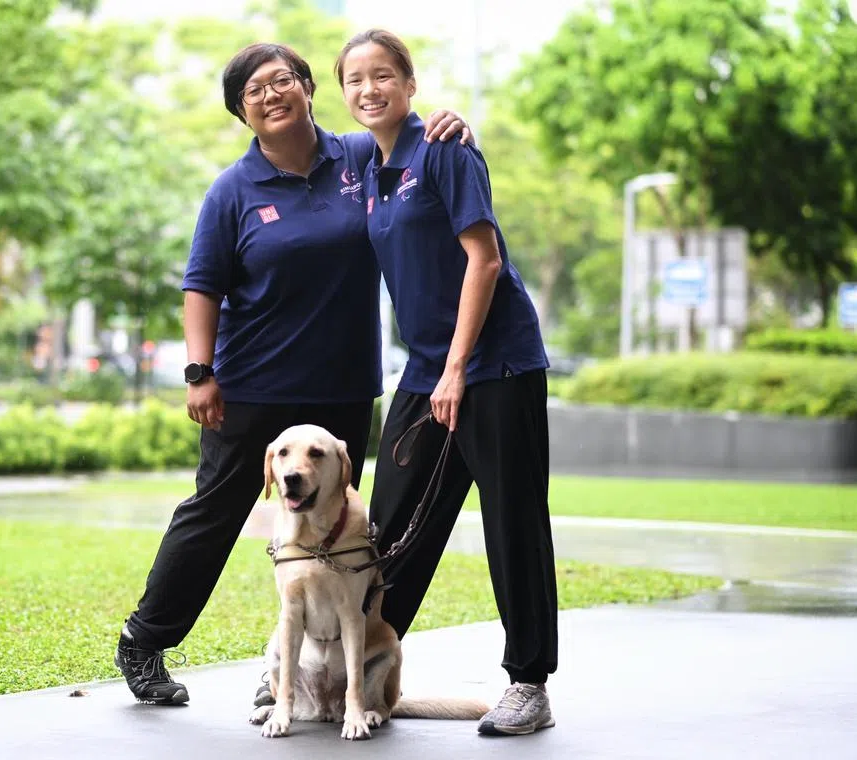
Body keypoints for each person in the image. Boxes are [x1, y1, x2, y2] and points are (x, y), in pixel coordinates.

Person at [114, 41, 473, 707]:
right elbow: (202, 286)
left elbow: (420, 155)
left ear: (309, 89)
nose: (272, 95)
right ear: (242, 113)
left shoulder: (361, 157)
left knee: (330, 540)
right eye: (255, 91)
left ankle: (291, 668)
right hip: (250, 388)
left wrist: (454, 128)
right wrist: (200, 372)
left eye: (284, 81)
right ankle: (144, 640)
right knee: (213, 516)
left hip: (341, 392)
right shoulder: (233, 190)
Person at [335, 29, 559, 736]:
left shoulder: (446, 148)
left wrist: (458, 368)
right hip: (427, 367)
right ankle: (357, 674)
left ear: (409, 82)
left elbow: (484, 260)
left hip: (496, 365)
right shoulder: (368, 166)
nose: (368, 89)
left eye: (382, 76)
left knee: (512, 521)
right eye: (355, 80)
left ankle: (529, 683)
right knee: (389, 526)